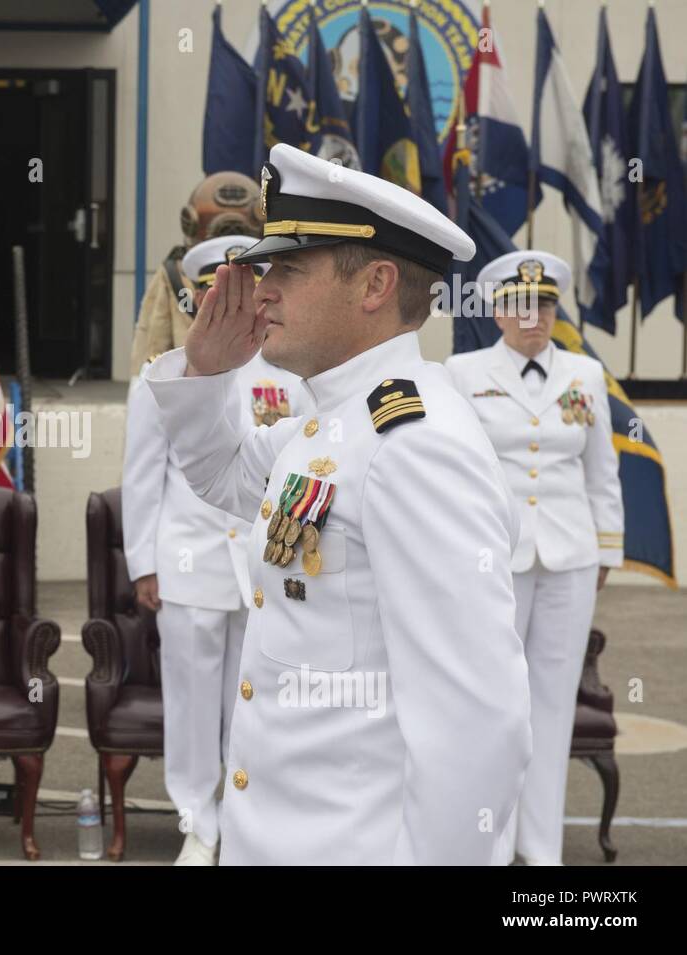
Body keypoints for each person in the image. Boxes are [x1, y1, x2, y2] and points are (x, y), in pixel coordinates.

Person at [140, 143, 532, 864]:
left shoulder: (413, 445)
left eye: (288, 267)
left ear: (376, 282)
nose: (261, 291)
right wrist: (204, 372)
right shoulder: (333, 425)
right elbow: (222, 471)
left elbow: (474, 725)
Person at [123, 235, 303, 865]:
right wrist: (143, 563)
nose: (227, 300)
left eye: (242, 285)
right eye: (211, 290)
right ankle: (198, 821)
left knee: (252, 698)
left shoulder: (286, 371)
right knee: (193, 700)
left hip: (264, 566)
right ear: (196, 297)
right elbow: (143, 474)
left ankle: (245, 817)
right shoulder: (163, 373)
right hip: (190, 560)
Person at [445, 250, 623, 866]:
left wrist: (607, 548)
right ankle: (490, 846)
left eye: (543, 304)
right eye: (520, 306)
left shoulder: (584, 375)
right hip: (496, 558)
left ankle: (541, 849)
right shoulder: (461, 373)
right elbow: (455, 472)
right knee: (498, 705)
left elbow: (602, 470)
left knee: (551, 707)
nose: (533, 317)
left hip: (570, 557)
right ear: (496, 309)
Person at [128, 171, 262, 375]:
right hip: (190, 380)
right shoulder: (173, 277)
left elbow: (152, 337)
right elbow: (153, 339)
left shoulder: (176, 277)